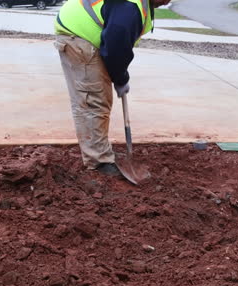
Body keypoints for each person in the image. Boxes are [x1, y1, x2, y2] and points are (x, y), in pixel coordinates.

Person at [54, 0, 170, 176]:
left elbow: (118, 44)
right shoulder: (130, 6)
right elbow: (115, 46)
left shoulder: (137, 5)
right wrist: (121, 78)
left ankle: (99, 152)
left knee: (97, 98)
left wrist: (119, 75)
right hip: (79, 36)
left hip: (81, 34)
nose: (167, 2)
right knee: (94, 101)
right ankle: (99, 162)